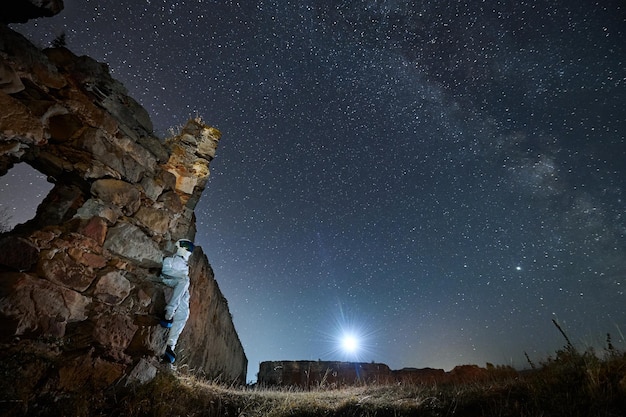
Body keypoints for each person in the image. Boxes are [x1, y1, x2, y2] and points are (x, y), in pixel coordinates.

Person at [158, 238, 195, 363]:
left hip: (181, 287)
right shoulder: (170, 260)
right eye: (186, 247)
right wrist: (181, 279)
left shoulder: (185, 266)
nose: (188, 250)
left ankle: (170, 345)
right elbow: (165, 271)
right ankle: (168, 312)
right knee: (185, 280)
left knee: (184, 313)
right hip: (170, 280)